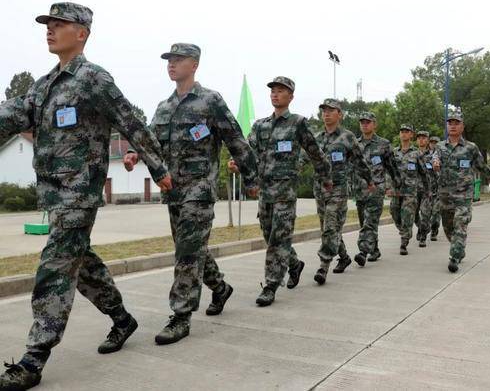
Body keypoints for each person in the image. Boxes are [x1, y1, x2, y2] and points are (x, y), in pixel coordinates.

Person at [0, 2, 171, 390]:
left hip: (81, 192)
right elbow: (11, 115)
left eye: (58, 24)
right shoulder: (43, 87)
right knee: (83, 265)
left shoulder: (94, 79)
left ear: (82, 33)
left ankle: (33, 358)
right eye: (47, 24)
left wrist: (158, 169)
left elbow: (132, 122)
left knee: (56, 266)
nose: (49, 30)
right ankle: (122, 319)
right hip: (54, 194)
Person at [125, 43, 259, 344]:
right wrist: (134, 153)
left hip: (200, 188)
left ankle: (181, 316)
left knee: (187, 250)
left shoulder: (210, 101)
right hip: (173, 190)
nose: (171, 64)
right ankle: (220, 288)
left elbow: (235, 139)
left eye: (178, 59)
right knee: (192, 248)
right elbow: (150, 139)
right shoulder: (164, 107)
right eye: (169, 60)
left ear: (194, 64)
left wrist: (253, 178)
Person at [230, 76, 331, 307]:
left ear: (290, 96)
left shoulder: (297, 123)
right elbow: (248, 152)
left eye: (280, 91)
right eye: (273, 91)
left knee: (278, 241)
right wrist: (238, 163)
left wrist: (326, 177)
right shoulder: (261, 125)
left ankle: (271, 284)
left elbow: (315, 152)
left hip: (285, 193)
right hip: (265, 194)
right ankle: (294, 264)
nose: (275, 94)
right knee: (270, 236)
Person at [306, 99, 373, 285]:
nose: (326, 113)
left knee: (330, 226)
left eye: (331, 110)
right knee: (329, 228)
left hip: (339, 189)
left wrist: (369, 180)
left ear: (339, 114)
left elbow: (360, 161)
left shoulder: (347, 137)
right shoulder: (316, 138)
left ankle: (323, 265)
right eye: (324, 110)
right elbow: (304, 159)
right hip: (320, 189)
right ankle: (343, 256)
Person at [432, 107, 490, 273]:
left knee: (460, 224)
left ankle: (454, 256)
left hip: (463, 195)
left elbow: (482, 166)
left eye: (456, 123)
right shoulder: (439, 146)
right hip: (445, 194)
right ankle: (459, 248)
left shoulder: (470, 148)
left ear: (462, 126)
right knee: (448, 227)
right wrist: (435, 163)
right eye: (450, 123)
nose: (452, 126)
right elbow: (434, 158)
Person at [352, 112, 400, 263]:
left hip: (377, 188)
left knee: (370, 221)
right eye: (362, 122)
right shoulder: (354, 143)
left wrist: (396, 184)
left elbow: (392, 167)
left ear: (374, 124)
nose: (364, 124)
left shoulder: (383, 144)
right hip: (359, 189)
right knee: (364, 222)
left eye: (368, 122)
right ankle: (374, 249)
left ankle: (363, 252)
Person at [388, 124, 429, 255]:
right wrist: (387, 186)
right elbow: (388, 171)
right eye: (402, 132)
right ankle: (405, 231)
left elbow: (424, 173)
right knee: (394, 213)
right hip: (396, 191)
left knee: (407, 216)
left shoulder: (417, 153)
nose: (404, 134)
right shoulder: (393, 152)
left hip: (411, 192)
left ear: (411, 135)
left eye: (407, 132)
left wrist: (427, 191)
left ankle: (404, 242)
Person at [414, 130, 434, 247]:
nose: (421, 140)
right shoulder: (412, 154)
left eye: (424, 138)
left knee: (425, 213)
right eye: (419, 138)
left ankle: (422, 237)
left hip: (427, 190)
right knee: (414, 214)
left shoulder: (433, 156)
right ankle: (422, 227)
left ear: (427, 140)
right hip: (413, 189)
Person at [428, 135, 442, 241]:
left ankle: (434, 231)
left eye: (435, 142)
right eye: (432, 142)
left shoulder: (443, 155)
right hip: (427, 188)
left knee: (436, 211)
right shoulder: (424, 155)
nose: (433, 144)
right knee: (426, 212)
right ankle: (423, 229)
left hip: (439, 188)